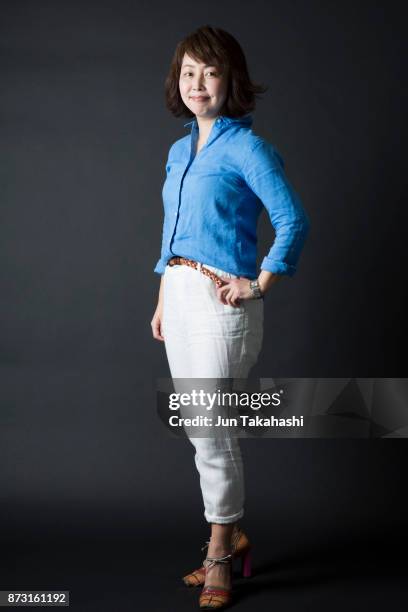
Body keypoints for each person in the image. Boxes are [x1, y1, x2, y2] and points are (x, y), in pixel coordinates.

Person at [151, 25, 310, 610]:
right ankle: (231, 530)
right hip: (179, 293)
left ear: (230, 80)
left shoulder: (248, 148)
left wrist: (259, 284)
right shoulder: (176, 150)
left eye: (210, 72)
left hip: (224, 304)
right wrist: (164, 296)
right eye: (188, 72)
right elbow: (172, 234)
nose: (198, 84)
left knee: (214, 429)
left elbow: (293, 221)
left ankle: (220, 548)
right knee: (198, 428)